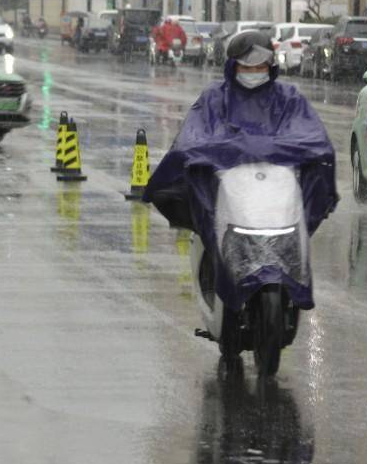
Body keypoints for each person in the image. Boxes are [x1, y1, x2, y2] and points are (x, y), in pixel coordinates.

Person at [143, 30, 338, 311]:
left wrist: (298, 154)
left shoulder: (288, 98)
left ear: (270, 66)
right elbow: (192, 138)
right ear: (233, 66)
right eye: (247, 66)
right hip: (231, 193)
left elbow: (312, 137)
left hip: (275, 192)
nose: (253, 72)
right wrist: (206, 155)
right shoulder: (214, 99)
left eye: (260, 66)